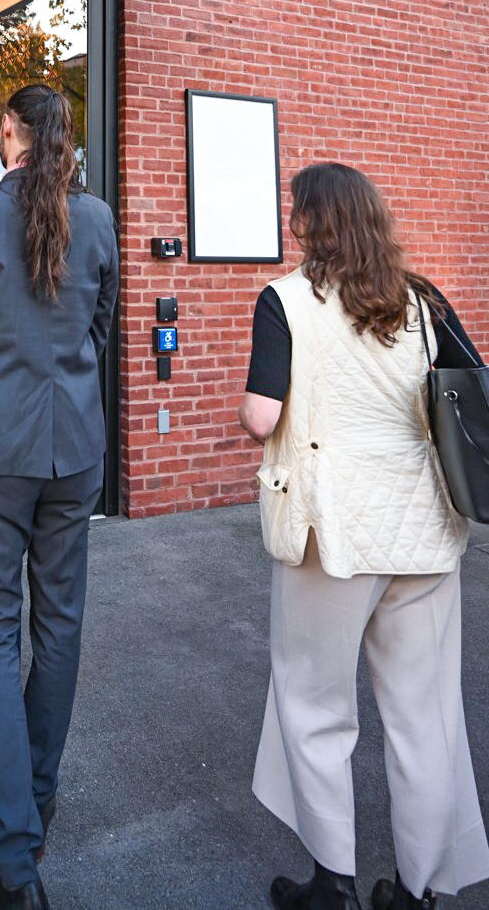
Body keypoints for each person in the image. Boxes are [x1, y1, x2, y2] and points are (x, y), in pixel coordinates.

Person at [238, 162, 489, 910]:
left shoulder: (285, 299)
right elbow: (467, 390)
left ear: (313, 222)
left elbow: (260, 416)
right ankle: (416, 892)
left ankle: (333, 884)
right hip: (422, 527)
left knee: (315, 708)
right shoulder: (423, 300)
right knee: (427, 716)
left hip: (333, 529)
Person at [0, 84, 119, 910]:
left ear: (9, 135)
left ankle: (14, 858)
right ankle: (34, 811)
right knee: (61, 626)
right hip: (72, 449)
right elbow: (99, 330)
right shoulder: (101, 219)